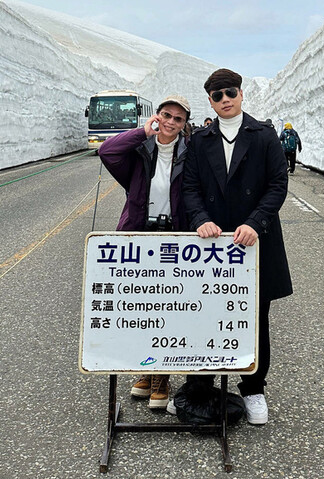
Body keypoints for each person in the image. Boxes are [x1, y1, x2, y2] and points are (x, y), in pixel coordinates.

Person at [181, 68, 292, 424]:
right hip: (212, 246)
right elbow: (190, 187)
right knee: (204, 314)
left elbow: (277, 183)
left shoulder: (263, 135)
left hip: (253, 242)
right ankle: (200, 389)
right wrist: (200, 219)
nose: (225, 100)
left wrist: (255, 223)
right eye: (217, 95)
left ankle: (253, 389)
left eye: (230, 92)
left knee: (255, 319)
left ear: (241, 94)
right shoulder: (201, 139)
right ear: (210, 101)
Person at [98, 94, 191, 409]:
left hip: (174, 237)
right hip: (139, 234)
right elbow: (106, 151)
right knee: (140, 307)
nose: (169, 122)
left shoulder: (189, 156)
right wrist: (142, 132)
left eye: (178, 119)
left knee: (168, 306)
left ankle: (161, 377)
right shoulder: (139, 151)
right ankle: (145, 369)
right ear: (157, 116)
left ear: (184, 125)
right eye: (166, 115)